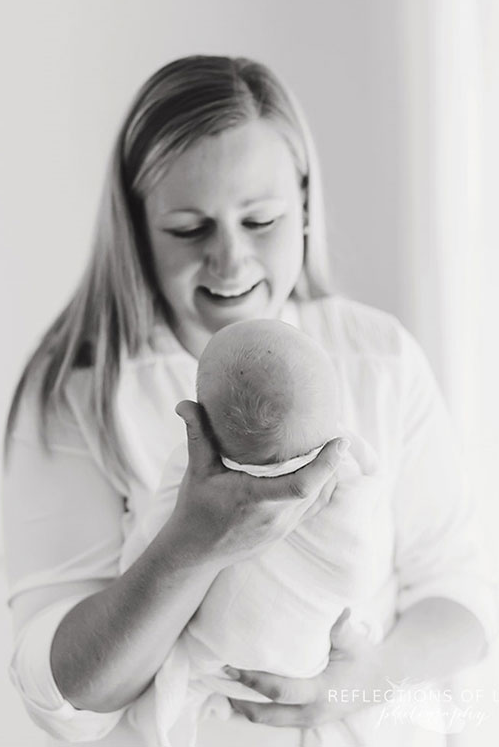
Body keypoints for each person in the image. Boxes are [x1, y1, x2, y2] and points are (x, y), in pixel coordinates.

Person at [3, 55, 495, 746]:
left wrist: (353, 684)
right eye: (188, 228)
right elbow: (67, 694)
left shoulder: (378, 358)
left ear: (302, 204)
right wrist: (190, 541)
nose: (230, 261)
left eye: (259, 219)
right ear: (138, 225)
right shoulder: (79, 393)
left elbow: (461, 602)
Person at [122, 318, 385, 746]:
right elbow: (359, 563)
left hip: (218, 663)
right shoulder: (347, 472)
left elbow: (141, 558)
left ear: (202, 425)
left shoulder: (189, 473)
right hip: (312, 658)